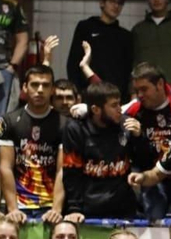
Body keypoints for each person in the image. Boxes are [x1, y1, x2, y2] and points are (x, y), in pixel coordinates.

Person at [0, 64, 66, 223]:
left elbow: (62, 170)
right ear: (24, 87)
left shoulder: (64, 123)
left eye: (46, 85)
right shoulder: (9, 121)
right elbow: (5, 167)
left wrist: (56, 209)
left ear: (53, 90)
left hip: (50, 208)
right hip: (19, 207)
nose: (40, 90)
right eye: (34, 85)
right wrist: (13, 209)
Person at [60, 81, 141, 221]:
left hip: (123, 209)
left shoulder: (127, 125)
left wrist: (140, 138)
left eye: (119, 103)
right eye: (114, 105)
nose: (120, 109)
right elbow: (71, 172)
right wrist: (74, 208)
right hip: (88, 211)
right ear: (96, 110)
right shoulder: (76, 129)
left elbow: (143, 161)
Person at [124, 63, 171, 220]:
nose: (139, 95)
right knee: (154, 221)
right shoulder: (135, 111)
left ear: (160, 84)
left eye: (144, 89)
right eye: (136, 90)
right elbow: (109, 109)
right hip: (151, 177)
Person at [65, 0, 133, 91]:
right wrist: (75, 90)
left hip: (115, 92)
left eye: (120, 3)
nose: (116, 6)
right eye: (112, 1)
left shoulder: (125, 36)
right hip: (88, 90)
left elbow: (128, 68)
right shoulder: (85, 27)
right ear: (102, 3)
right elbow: (73, 61)